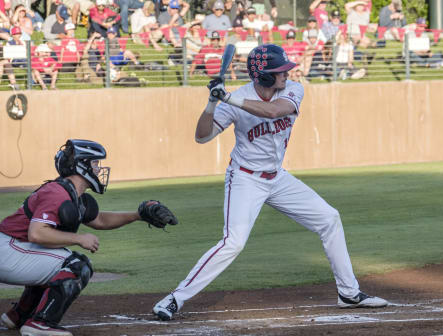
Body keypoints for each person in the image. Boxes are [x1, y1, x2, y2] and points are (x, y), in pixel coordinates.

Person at [152, 43, 388, 321]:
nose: (286, 74)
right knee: (233, 243)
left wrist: (227, 98)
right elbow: (202, 137)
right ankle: (174, 299)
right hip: (245, 179)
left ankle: (349, 293)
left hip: (277, 178)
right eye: (280, 72)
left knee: (329, 218)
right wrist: (212, 103)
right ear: (263, 76)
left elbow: (275, 111)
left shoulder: (291, 90)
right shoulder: (236, 98)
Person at [0, 139, 177, 336]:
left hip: (13, 249)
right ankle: (40, 324)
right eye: (95, 163)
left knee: (60, 262)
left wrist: (137, 215)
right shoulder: (57, 193)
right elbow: (37, 233)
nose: (99, 169)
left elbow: (100, 220)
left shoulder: (70, 193)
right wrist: (78, 238)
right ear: (81, 166)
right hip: (8, 249)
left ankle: (18, 315)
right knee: (76, 265)